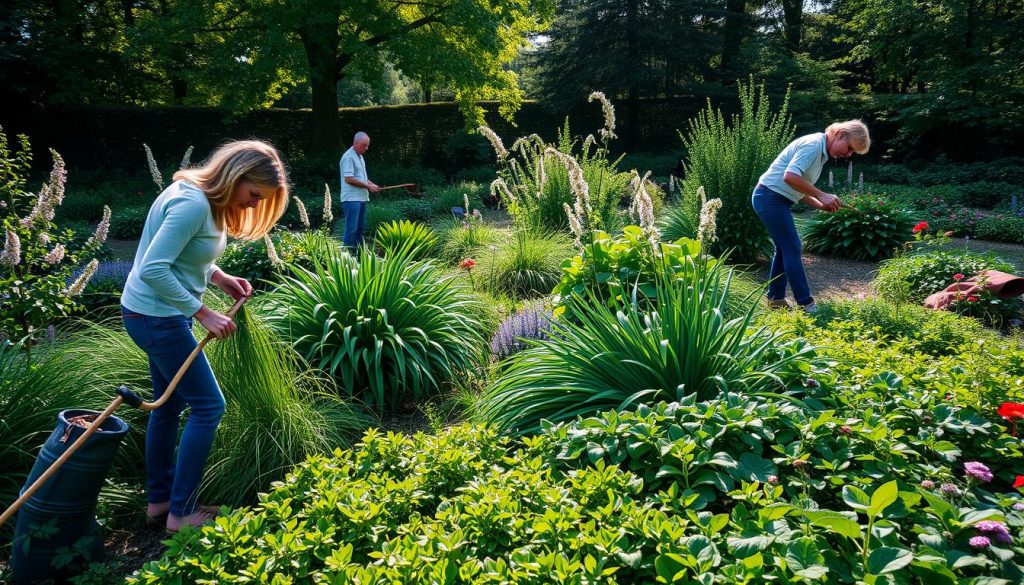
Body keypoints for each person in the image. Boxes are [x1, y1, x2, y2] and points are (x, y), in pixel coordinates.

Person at [120, 140, 289, 532]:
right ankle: (182, 513)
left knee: (166, 408)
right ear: (237, 175)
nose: (252, 205)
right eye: (253, 195)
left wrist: (219, 276)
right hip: (157, 318)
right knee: (210, 407)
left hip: (152, 314)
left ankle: (160, 502)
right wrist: (202, 311)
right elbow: (153, 269)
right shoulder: (192, 204)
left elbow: (185, 256)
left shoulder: (198, 197)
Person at [751, 120, 871, 313]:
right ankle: (806, 304)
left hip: (773, 198)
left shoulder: (820, 152)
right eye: (849, 148)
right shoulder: (813, 145)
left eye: (852, 153)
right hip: (769, 197)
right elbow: (790, 177)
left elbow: (798, 185)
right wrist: (822, 194)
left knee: (784, 249)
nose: (848, 155)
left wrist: (819, 204)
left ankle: (776, 300)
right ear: (840, 134)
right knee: (792, 247)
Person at [339, 131, 381, 250]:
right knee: (351, 229)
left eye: (367, 145)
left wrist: (371, 184)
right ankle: (347, 258)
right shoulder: (348, 157)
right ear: (355, 143)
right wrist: (368, 187)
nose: (366, 148)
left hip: (361, 198)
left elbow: (362, 178)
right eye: (364, 145)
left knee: (359, 229)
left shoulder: (360, 157)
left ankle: (359, 257)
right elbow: (349, 179)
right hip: (351, 200)